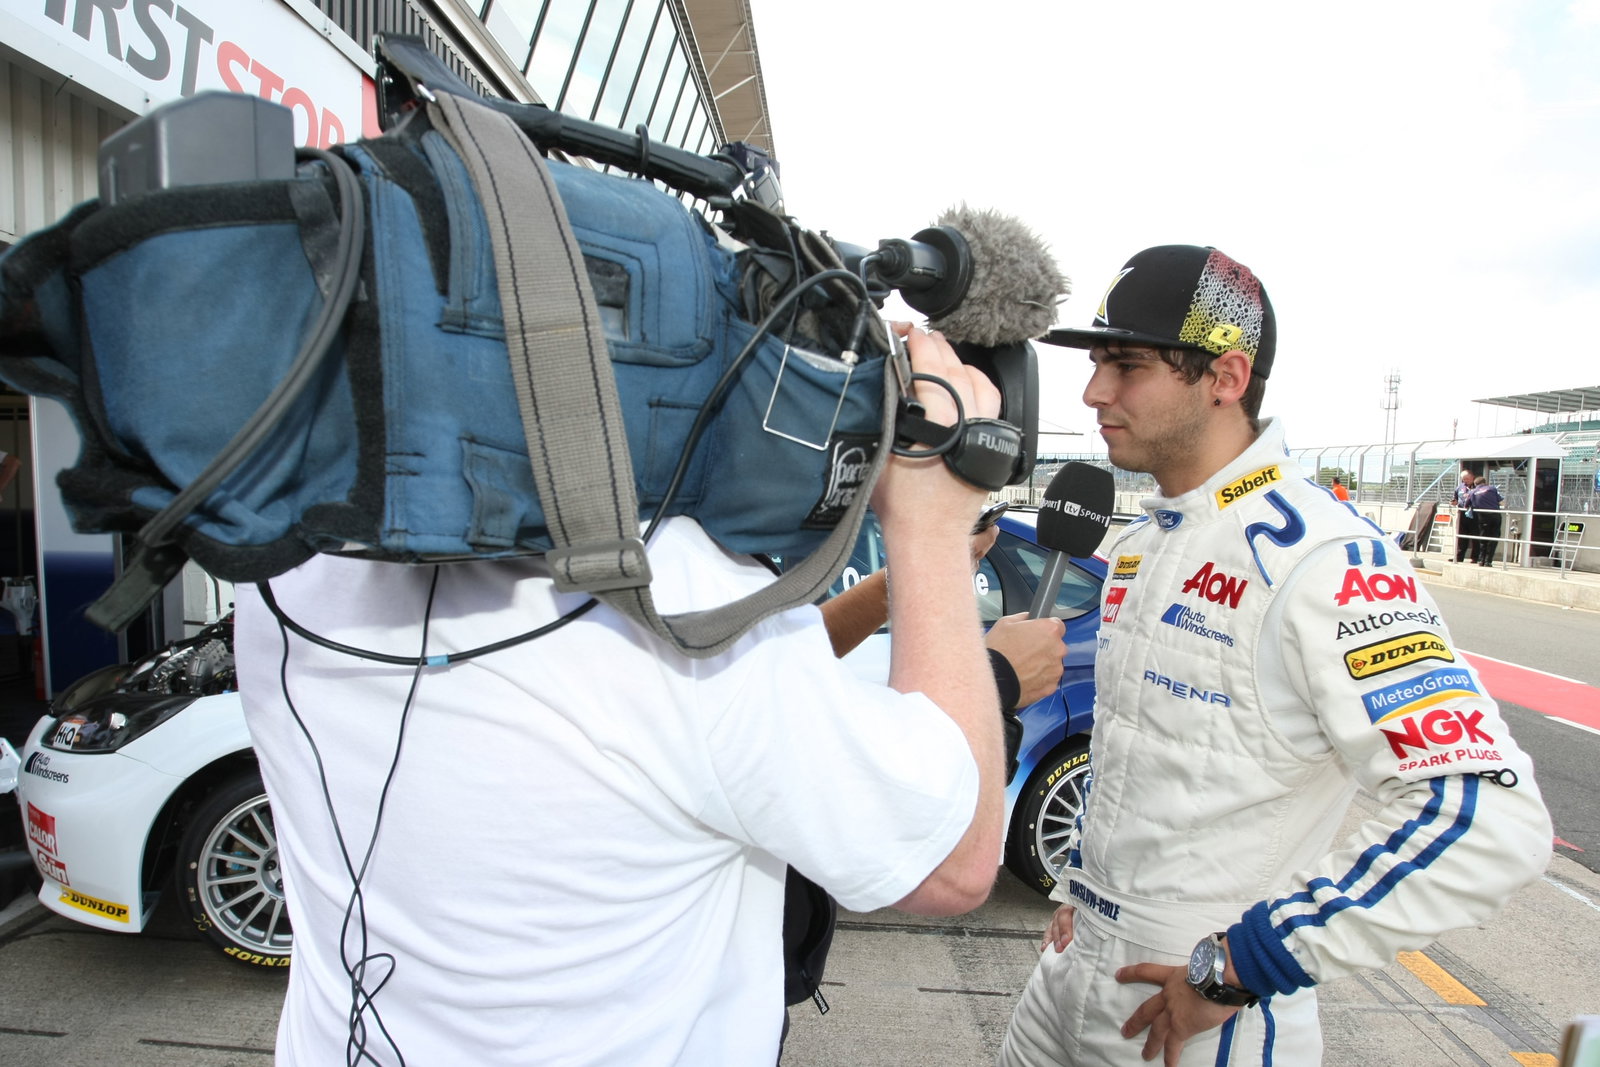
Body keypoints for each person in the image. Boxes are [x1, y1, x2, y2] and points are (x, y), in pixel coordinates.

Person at [233, 326, 1010, 1066]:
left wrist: (875, 591)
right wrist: (931, 528)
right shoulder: (684, 590)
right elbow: (951, 859)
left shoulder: (290, 560)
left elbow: (707, 731)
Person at [998, 245, 1552, 1067]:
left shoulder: (1326, 560)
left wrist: (1243, 963)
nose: (1093, 392)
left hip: (1195, 1008)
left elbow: (1484, 816)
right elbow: (1141, 755)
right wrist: (1084, 884)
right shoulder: (1144, 543)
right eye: (1094, 363)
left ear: (1224, 377)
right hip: (1070, 971)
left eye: (1126, 364)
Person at [1470, 473, 1505, 567]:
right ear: (1485, 483)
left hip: (1482, 516)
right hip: (1495, 516)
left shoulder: (1472, 492)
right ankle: (1488, 561)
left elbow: (1468, 504)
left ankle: (1481, 560)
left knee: (1483, 538)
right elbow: (1501, 502)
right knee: (1493, 538)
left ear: (1475, 484)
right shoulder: (1492, 489)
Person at [1454, 468, 1478, 562]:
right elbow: (1455, 499)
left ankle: (1475, 558)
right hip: (1463, 514)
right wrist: (1454, 502)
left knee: (1475, 536)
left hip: (1475, 514)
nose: (1466, 481)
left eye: (1467, 479)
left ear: (1472, 477)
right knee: (1462, 536)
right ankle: (1459, 557)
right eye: (1464, 479)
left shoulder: (1478, 487)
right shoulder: (1460, 487)